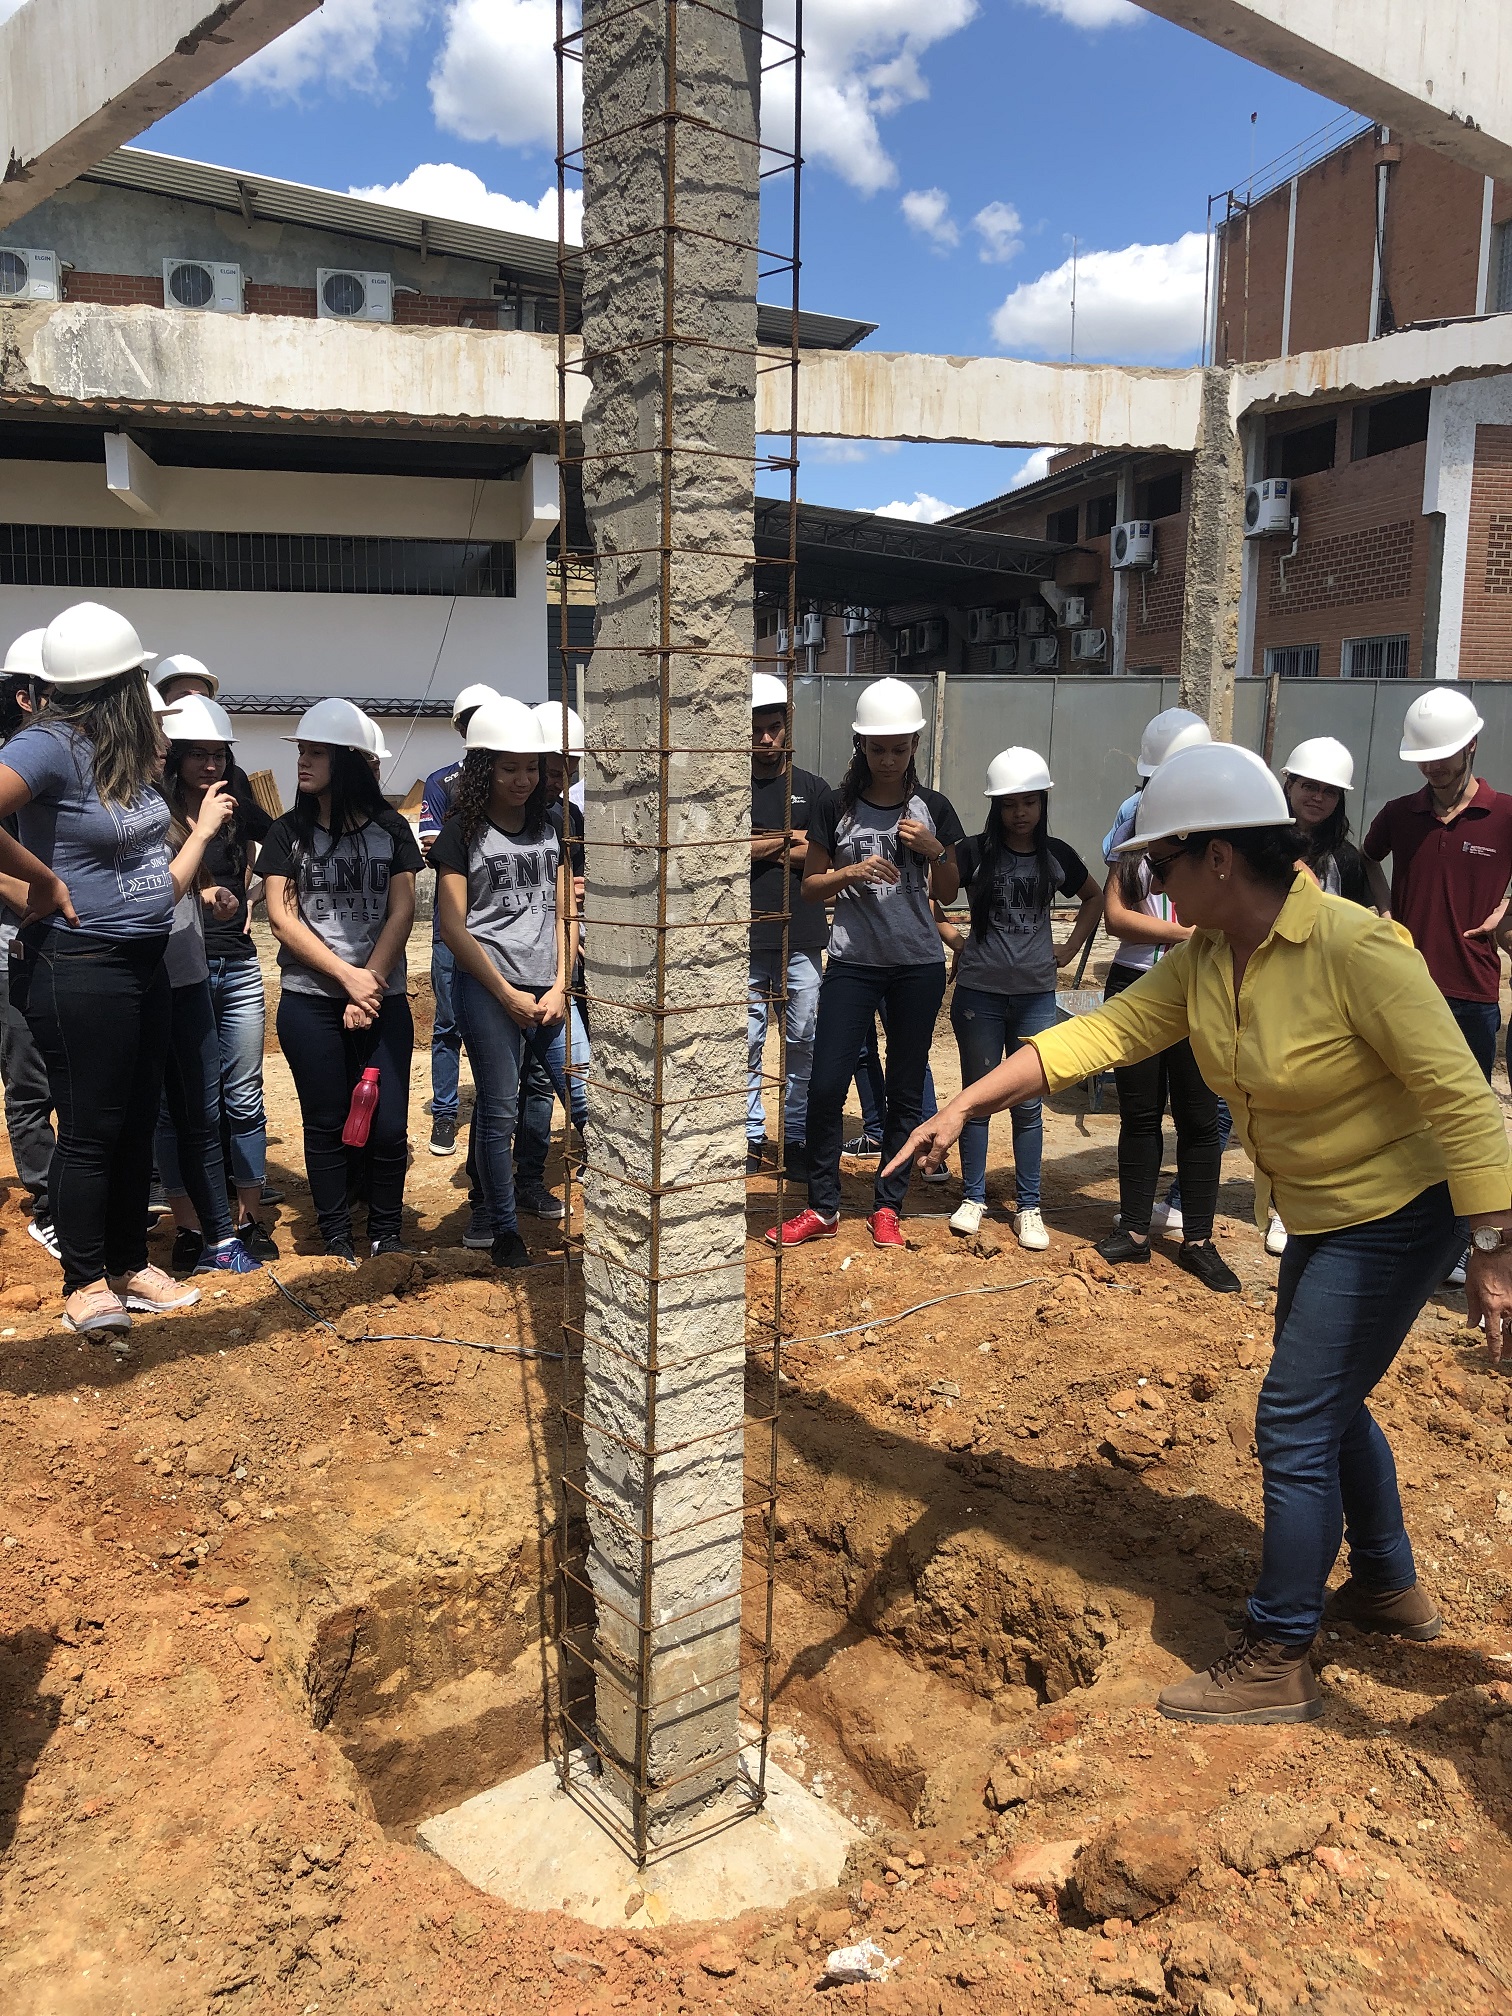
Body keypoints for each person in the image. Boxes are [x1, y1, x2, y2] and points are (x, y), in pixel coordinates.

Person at [888, 741, 1512, 1725]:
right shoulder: (1213, 960)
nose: (1153, 883)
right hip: (1319, 1209)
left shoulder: (1357, 950)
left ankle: (1277, 1654)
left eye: (1163, 862)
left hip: (1400, 1210)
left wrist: (1493, 1251)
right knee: (1328, 1398)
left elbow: (1464, 1102)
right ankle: (1389, 1586)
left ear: (1219, 859)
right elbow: (1098, 1034)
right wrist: (966, 1102)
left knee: (1295, 1417)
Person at [0, 602, 201, 1339]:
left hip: (143, 962)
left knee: (136, 1121)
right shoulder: (48, 745)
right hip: (81, 965)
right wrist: (40, 882)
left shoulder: (115, 750)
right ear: (117, 687)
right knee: (91, 1129)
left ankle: (127, 1263)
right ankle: (84, 1280)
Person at [770, 677, 963, 1250]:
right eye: (877, 749)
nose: (887, 760)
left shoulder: (934, 809)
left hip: (917, 965)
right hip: (853, 962)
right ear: (860, 746)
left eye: (898, 749)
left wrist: (934, 850)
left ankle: (887, 1205)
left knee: (904, 1088)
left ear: (914, 746)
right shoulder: (836, 807)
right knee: (826, 1083)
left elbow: (949, 892)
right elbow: (811, 887)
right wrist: (849, 873)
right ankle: (822, 1206)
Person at [260, 698, 423, 1264]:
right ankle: (335, 1235)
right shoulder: (287, 831)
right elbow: (282, 918)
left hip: (382, 1000)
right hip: (310, 1002)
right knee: (327, 1123)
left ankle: (386, 1234)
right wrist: (346, 978)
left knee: (388, 1126)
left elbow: (403, 908)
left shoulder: (390, 828)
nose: (302, 762)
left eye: (316, 752)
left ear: (348, 761)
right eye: (302, 751)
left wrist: (369, 982)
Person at [432, 696, 588, 1269]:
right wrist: (505, 993)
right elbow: (453, 925)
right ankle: (500, 1226)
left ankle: (619, 1209)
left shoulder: (555, 825)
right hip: (489, 990)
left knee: (587, 1094)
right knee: (498, 1110)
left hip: (549, 987)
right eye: (509, 768)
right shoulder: (462, 833)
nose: (523, 779)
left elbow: (565, 911)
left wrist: (560, 986)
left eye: (531, 767)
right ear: (483, 769)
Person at [940, 747, 1102, 1250]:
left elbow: (1094, 896)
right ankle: (973, 1196)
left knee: (1028, 1103)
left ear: (1042, 803)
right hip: (980, 995)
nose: (1020, 813)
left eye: (1029, 802)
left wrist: (1069, 948)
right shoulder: (973, 852)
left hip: (1034, 996)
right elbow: (931, 894)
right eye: (1009, 804)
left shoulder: (1057, 855)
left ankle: (1029, 1207)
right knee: (977, 1098)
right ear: (996, 806)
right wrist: (956, 941)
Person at [1097, 719, 1239, 1295]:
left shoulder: (1225, 834)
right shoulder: (1133, 827)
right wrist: (1187, 937)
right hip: (1137, 984)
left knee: (1200, 1118)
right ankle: (1134, 1229)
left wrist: (1197, 944)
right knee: (1139, 1113)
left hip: (1203, 988)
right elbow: (1116, 916)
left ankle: (1198, 1239)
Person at [156, 693, 276, 1262]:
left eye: (219, 754)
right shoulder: (153, 812)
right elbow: (154, 890)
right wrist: (200, 887)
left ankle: (249, 1217)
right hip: (180, 969)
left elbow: (288, 843)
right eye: (198, 754)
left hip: (238, 963)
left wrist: (255, 895)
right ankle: (189, 1227)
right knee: (180, 1104)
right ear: (175, 757)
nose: (210, 765)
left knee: (244, 1097)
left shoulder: (237, 804)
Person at [1362, 688, 1512, 1085]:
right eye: (1423, 757)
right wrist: (1387, 912)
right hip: (1406, 984)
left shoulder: (1505, 814)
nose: (1431, 766)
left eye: (1442, 754)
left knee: (1467, 1105)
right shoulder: (1398, 814)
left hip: (1473, 989)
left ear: (1471, 744)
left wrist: (1506, 907)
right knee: (1403, 1102)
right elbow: (1368, 858)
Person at [746, 671, 828, 1181]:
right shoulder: (727, 787)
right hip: (746, 937)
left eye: (774, 727)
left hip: (802, 936)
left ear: (787, 725)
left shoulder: (813, 789)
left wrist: (762, 842)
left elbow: (821, 857)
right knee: (747, 1042)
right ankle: (751, 1136)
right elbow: (726, 852)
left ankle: (795, 1136)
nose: (766, 738)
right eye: (757, 728)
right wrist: (789, 840)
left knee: (803, 1040)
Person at [419, 684, 498, 1159]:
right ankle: (446, 1113)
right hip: (451, 925)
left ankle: (495, 1110)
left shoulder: (510, 781)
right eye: (470, 719)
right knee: (448, 1023)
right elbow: (432, 847)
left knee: (499, 1025)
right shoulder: (441, 781)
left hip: (501, 926)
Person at [0, 629, 58, 1259]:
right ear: (27, 698)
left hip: (64, 937)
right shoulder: (11, 766)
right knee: (29, 1076)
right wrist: (32, 893)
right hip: (13, 939)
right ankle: (48, 1201)